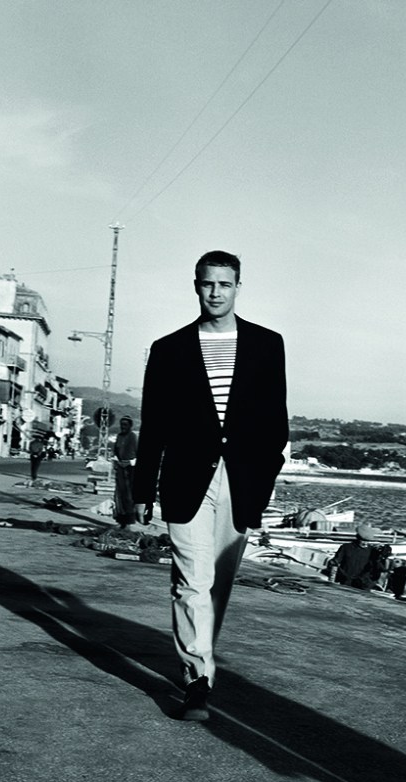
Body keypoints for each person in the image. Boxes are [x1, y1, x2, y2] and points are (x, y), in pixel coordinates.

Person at [133, 250, 288, 721]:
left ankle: (202, 661)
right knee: (190, 580)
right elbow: (153, 425)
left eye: (225, 284)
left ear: (238, 286)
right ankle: (197, 675)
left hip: (239, 480)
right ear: (196, 286)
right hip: (185, 477)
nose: (216, 292)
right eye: (207, 284)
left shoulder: (267, 344)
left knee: (218, 582)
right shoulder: (169, 349)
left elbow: (274, 425)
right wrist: (142, 490)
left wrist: (261, 482)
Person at [327, 524, 383, 590]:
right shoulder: (346, 547)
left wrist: (380, 556)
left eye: (367, 541)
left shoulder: (372, 551)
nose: (365, 543)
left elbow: (377, 568)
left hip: (363, 584)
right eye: (363, 540)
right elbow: (336, 561)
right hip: (346, 582)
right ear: (357, 537)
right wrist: (333, 563)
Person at [112, 416, 138, 528]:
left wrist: (130, 462)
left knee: (129, 496)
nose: (123, 427)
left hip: (130, 470)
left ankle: (129, 522)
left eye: (125, 424)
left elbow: (139, 454)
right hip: (120, 468)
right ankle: (121, 521)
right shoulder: (119, 436)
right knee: (119, 495)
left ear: (130, 426)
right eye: (122, 424)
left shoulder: (133, 437)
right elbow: (115, 451)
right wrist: (116, 462)